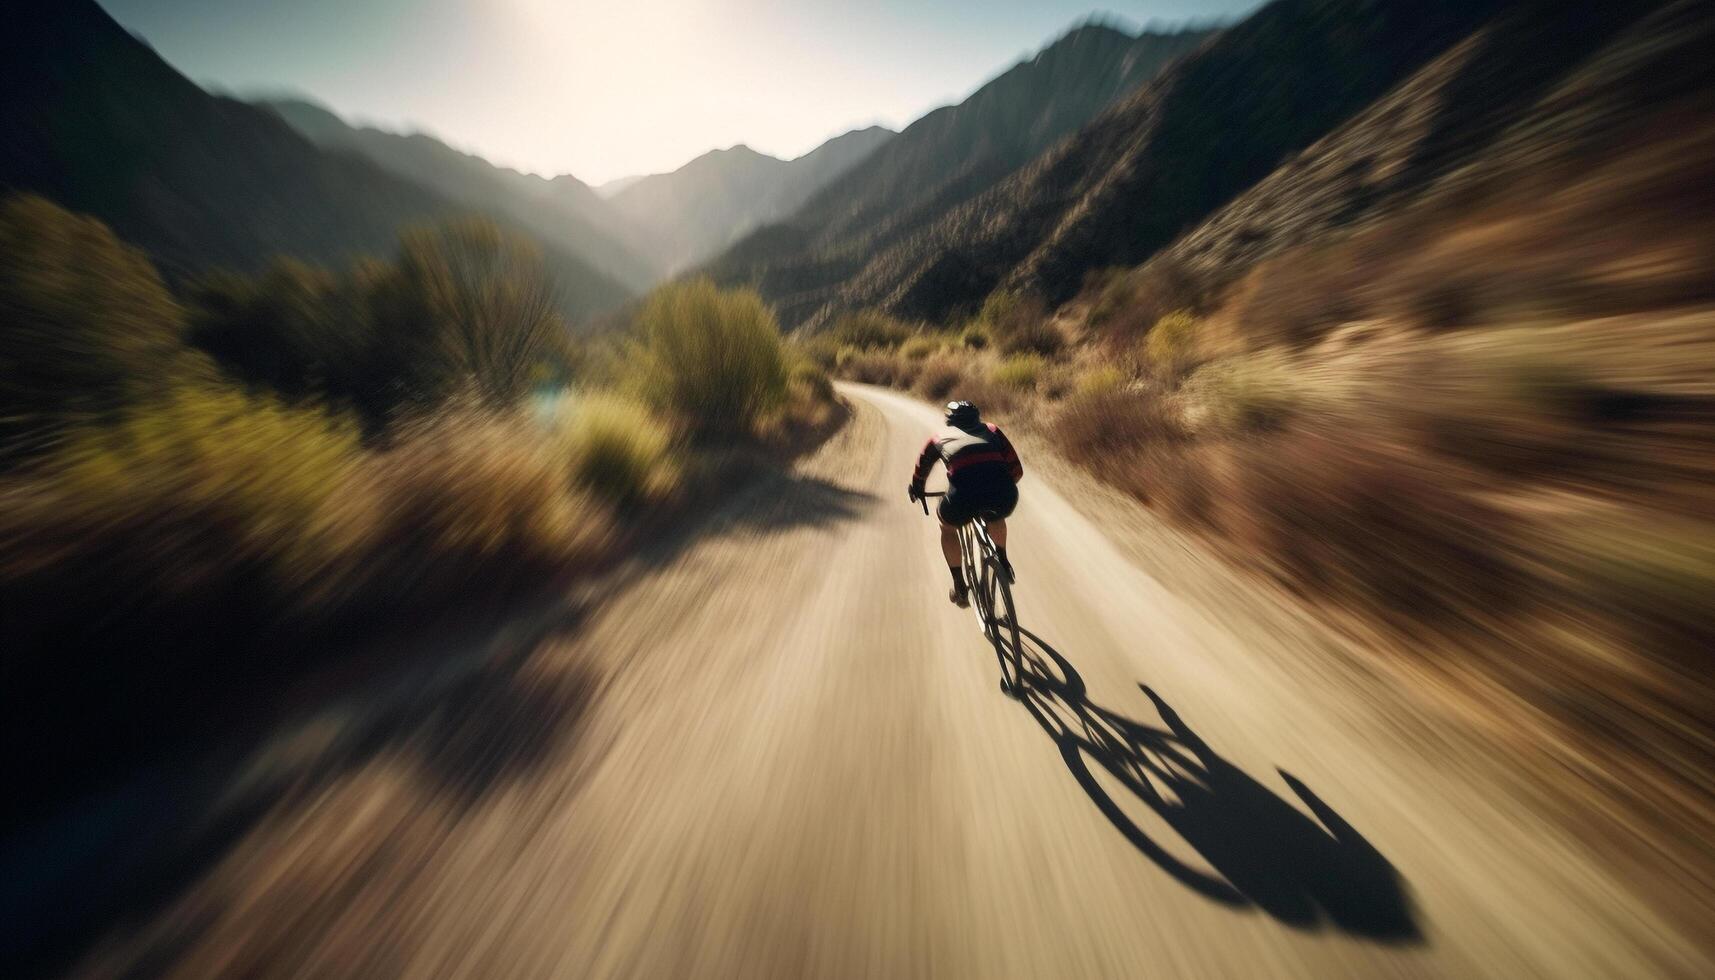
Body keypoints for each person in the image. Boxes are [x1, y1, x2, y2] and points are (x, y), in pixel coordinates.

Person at [908, 401, 1024, 607]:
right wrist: (998, 487)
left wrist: (917, 489)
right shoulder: (992, 430)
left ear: (949, 420)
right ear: (976, 416)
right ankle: (1003, 561)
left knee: (948, 528)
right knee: (995, 516)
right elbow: (1016, 470)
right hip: (1003, 495)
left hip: (962, 499)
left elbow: (920, 469)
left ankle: (960, 585)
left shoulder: (938, 438)